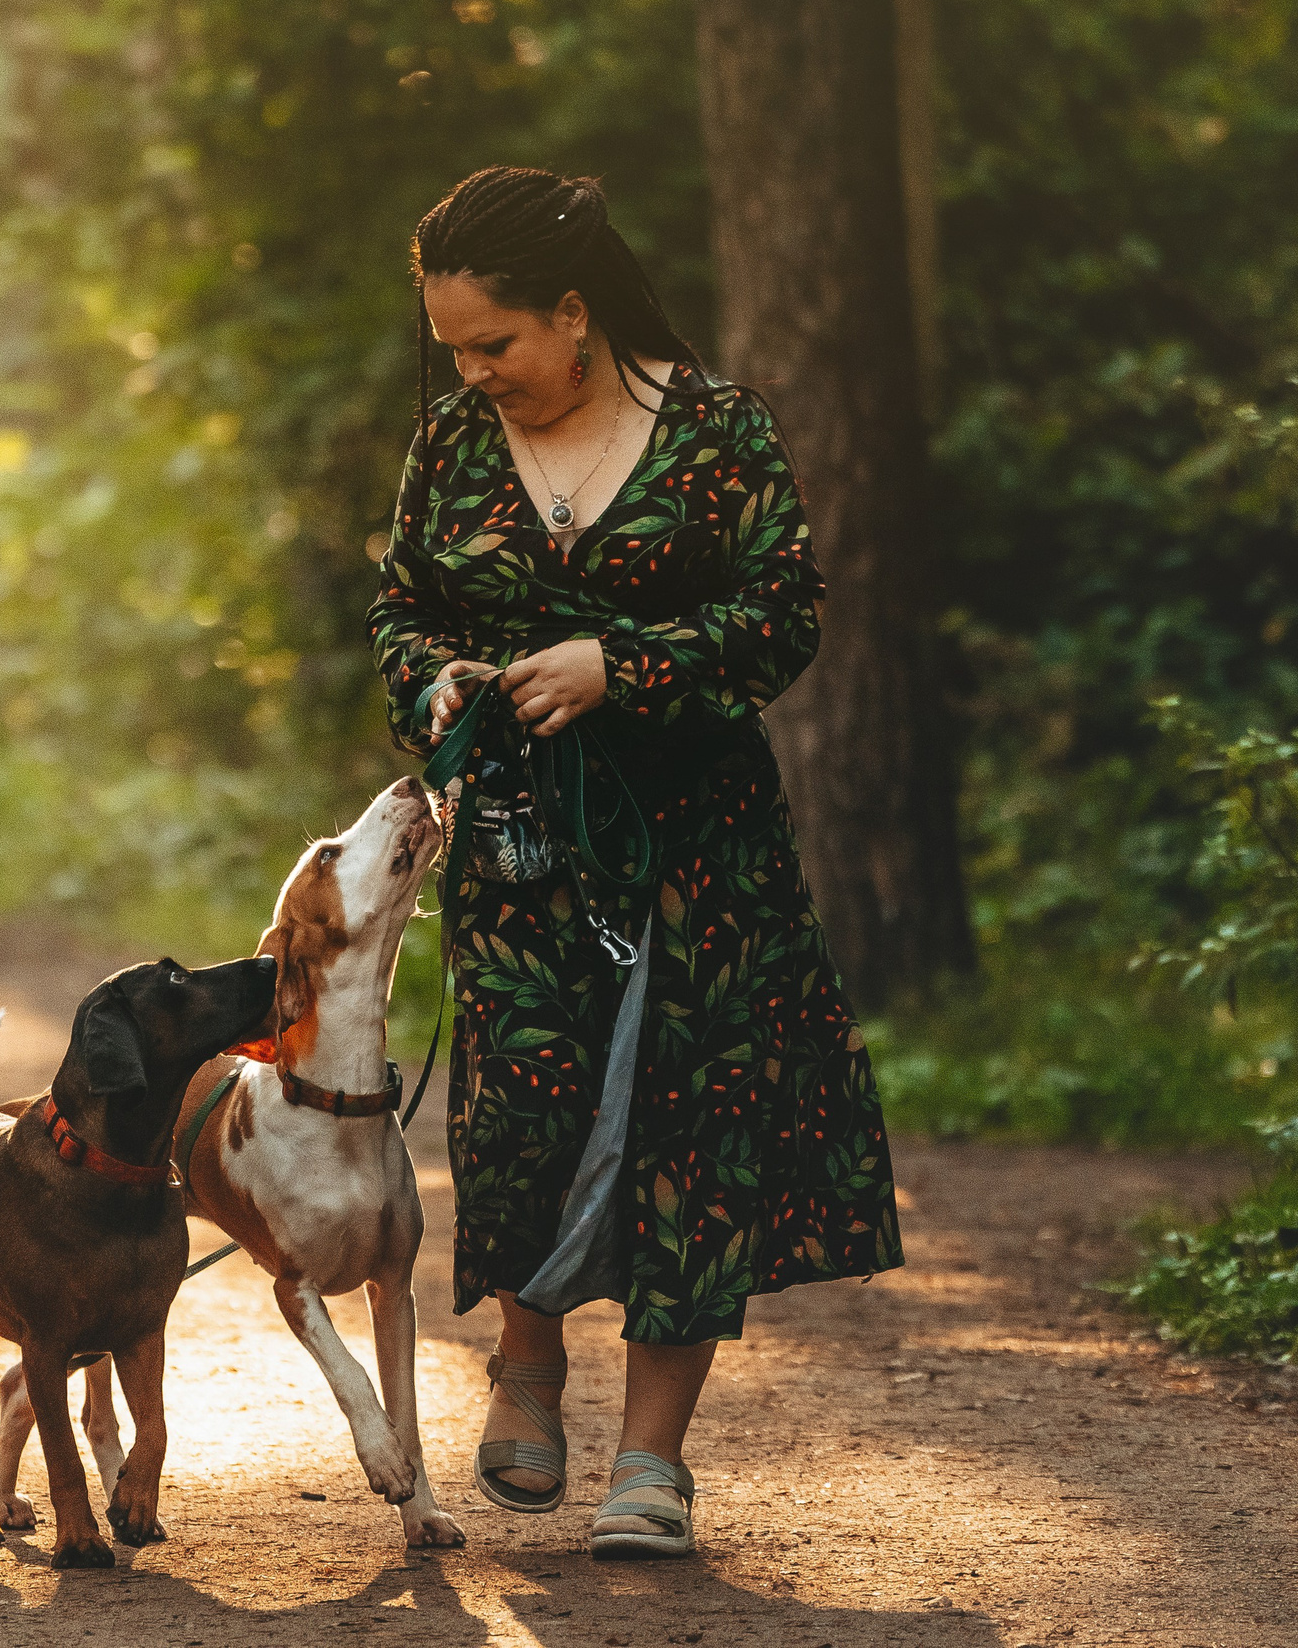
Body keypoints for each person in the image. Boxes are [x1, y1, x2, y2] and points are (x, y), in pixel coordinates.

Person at [365, 166, 902, 1559]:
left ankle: (651, 1461)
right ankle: (527, 1373)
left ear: (576, 312)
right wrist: (435, 688)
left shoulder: (718, 434)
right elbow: (400, 612)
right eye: (455, 351)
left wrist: (625, 665)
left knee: (692, 1126)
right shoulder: (453, 446)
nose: (476, 374)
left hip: (701, 856)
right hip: (521, 850)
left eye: (498, 345)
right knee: (523, 1102)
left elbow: (785, 613)